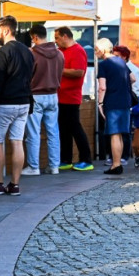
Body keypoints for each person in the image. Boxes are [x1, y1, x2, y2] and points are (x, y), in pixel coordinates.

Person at [0, 15, 33, 195]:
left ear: (6, 30)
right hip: (23, 102)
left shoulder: (2, 53)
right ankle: (14, 184)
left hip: (6, 103)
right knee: (17, 142)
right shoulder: (28, 51)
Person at [23, 24, 63, 176]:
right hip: (53, 95)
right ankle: (54, 166)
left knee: (33, 132)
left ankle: (33, 166)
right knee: (53, 132)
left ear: (34, 37)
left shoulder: (32, 54)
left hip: (35, 95)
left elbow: (27, 76)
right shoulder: (59, 54)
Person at [54, 27, 94, 171]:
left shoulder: (78, 51)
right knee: (64, 129)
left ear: (65, 36)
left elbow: (79, 72)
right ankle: (66, 159)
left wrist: (59, 69)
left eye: (57, 38)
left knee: (75, 128)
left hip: (71, 97)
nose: (56, 41)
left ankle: (86, 159)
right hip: (60, 96)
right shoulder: (61, 51)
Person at [96, 38, 135, 175]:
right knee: (120, 134)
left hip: (112, 101)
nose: (96, 53)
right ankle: (118, 162)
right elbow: (133, 78)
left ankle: (116, 164)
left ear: (103, 50)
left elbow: (102, 87)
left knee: (114, 134)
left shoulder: (104, 64)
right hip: (125, 100)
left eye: (96, 50)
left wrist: (100, 103)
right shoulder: (121, 62)